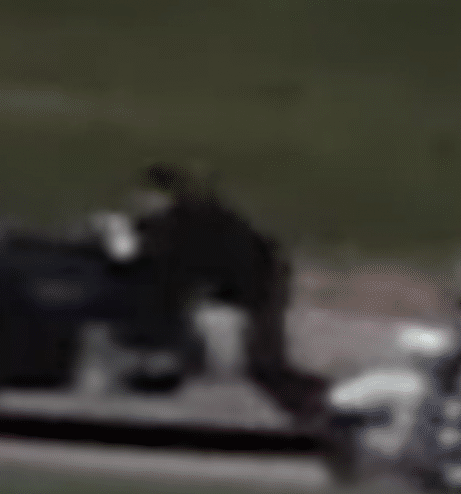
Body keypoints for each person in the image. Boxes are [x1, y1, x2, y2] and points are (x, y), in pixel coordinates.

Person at [127, 162, 327, 421]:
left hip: (259, 279)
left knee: (262, 364)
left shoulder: (188, 222)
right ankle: (309, 406)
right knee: (258, 362)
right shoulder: (187, 217)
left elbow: (180, 270)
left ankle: (319, 405)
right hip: (243, 277)